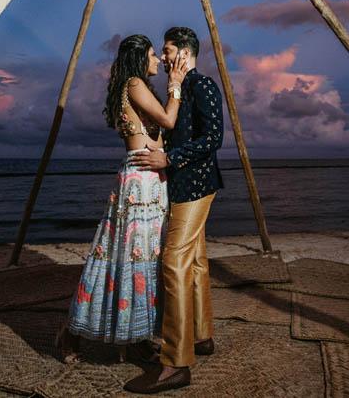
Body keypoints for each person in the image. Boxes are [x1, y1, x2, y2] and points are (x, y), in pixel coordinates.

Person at [57, 34, 190, 363]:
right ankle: (71, 333)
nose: (158, 60)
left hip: (149, 179)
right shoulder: (133, 83)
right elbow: (168, 120)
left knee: (144, 258)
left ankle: (136, 336)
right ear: (139, 58)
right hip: (140, 180)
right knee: (124, 256)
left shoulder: (135, 87)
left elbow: (156, 133)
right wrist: (175, 84)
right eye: (152, 55)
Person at [124, 26, 225, 394]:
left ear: (184, 52)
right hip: (181, 186)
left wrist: (169, 158)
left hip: (196, 186)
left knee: (173, 262)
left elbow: (213, 138)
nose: (163, 58)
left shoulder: (203, 85)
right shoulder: (179, 88)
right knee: (195, 261)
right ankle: (201, 336)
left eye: (167, 51)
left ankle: (175, 363)